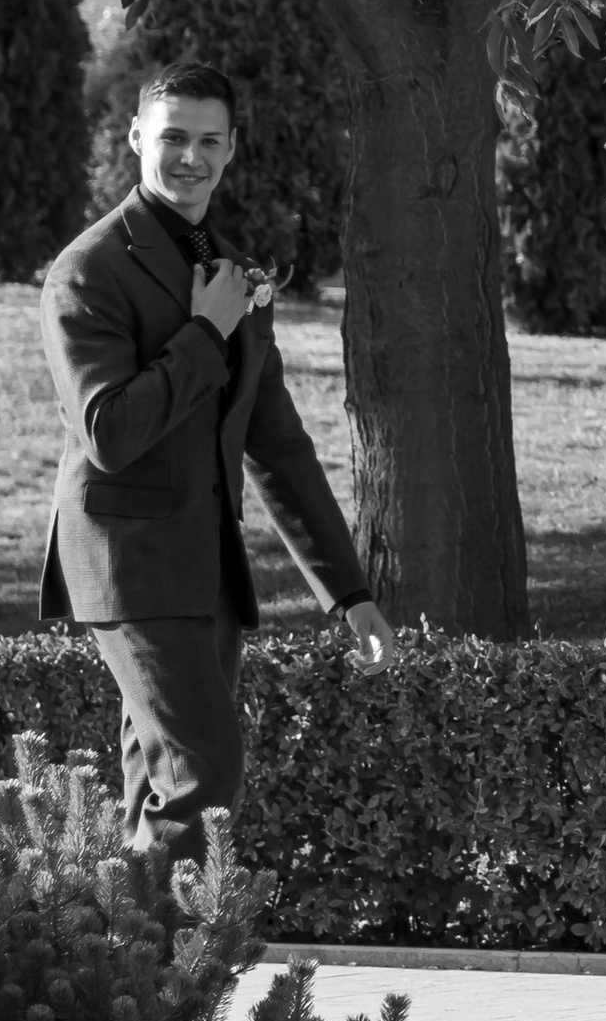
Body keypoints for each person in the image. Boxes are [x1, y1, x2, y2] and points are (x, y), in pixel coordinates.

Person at [38, 58, 394, 854]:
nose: (189, 157)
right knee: (204, 777)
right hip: (129, 562)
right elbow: (110, 432)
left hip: (208, 570)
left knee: (161, 785)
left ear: (232, 149)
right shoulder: (88, 271)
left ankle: (121, 970)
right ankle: (166, 972)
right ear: (136, 137)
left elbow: (277, 443)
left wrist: (349, 592)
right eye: (172, 138)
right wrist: (204, 333)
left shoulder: (231, 272)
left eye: (208, 140)